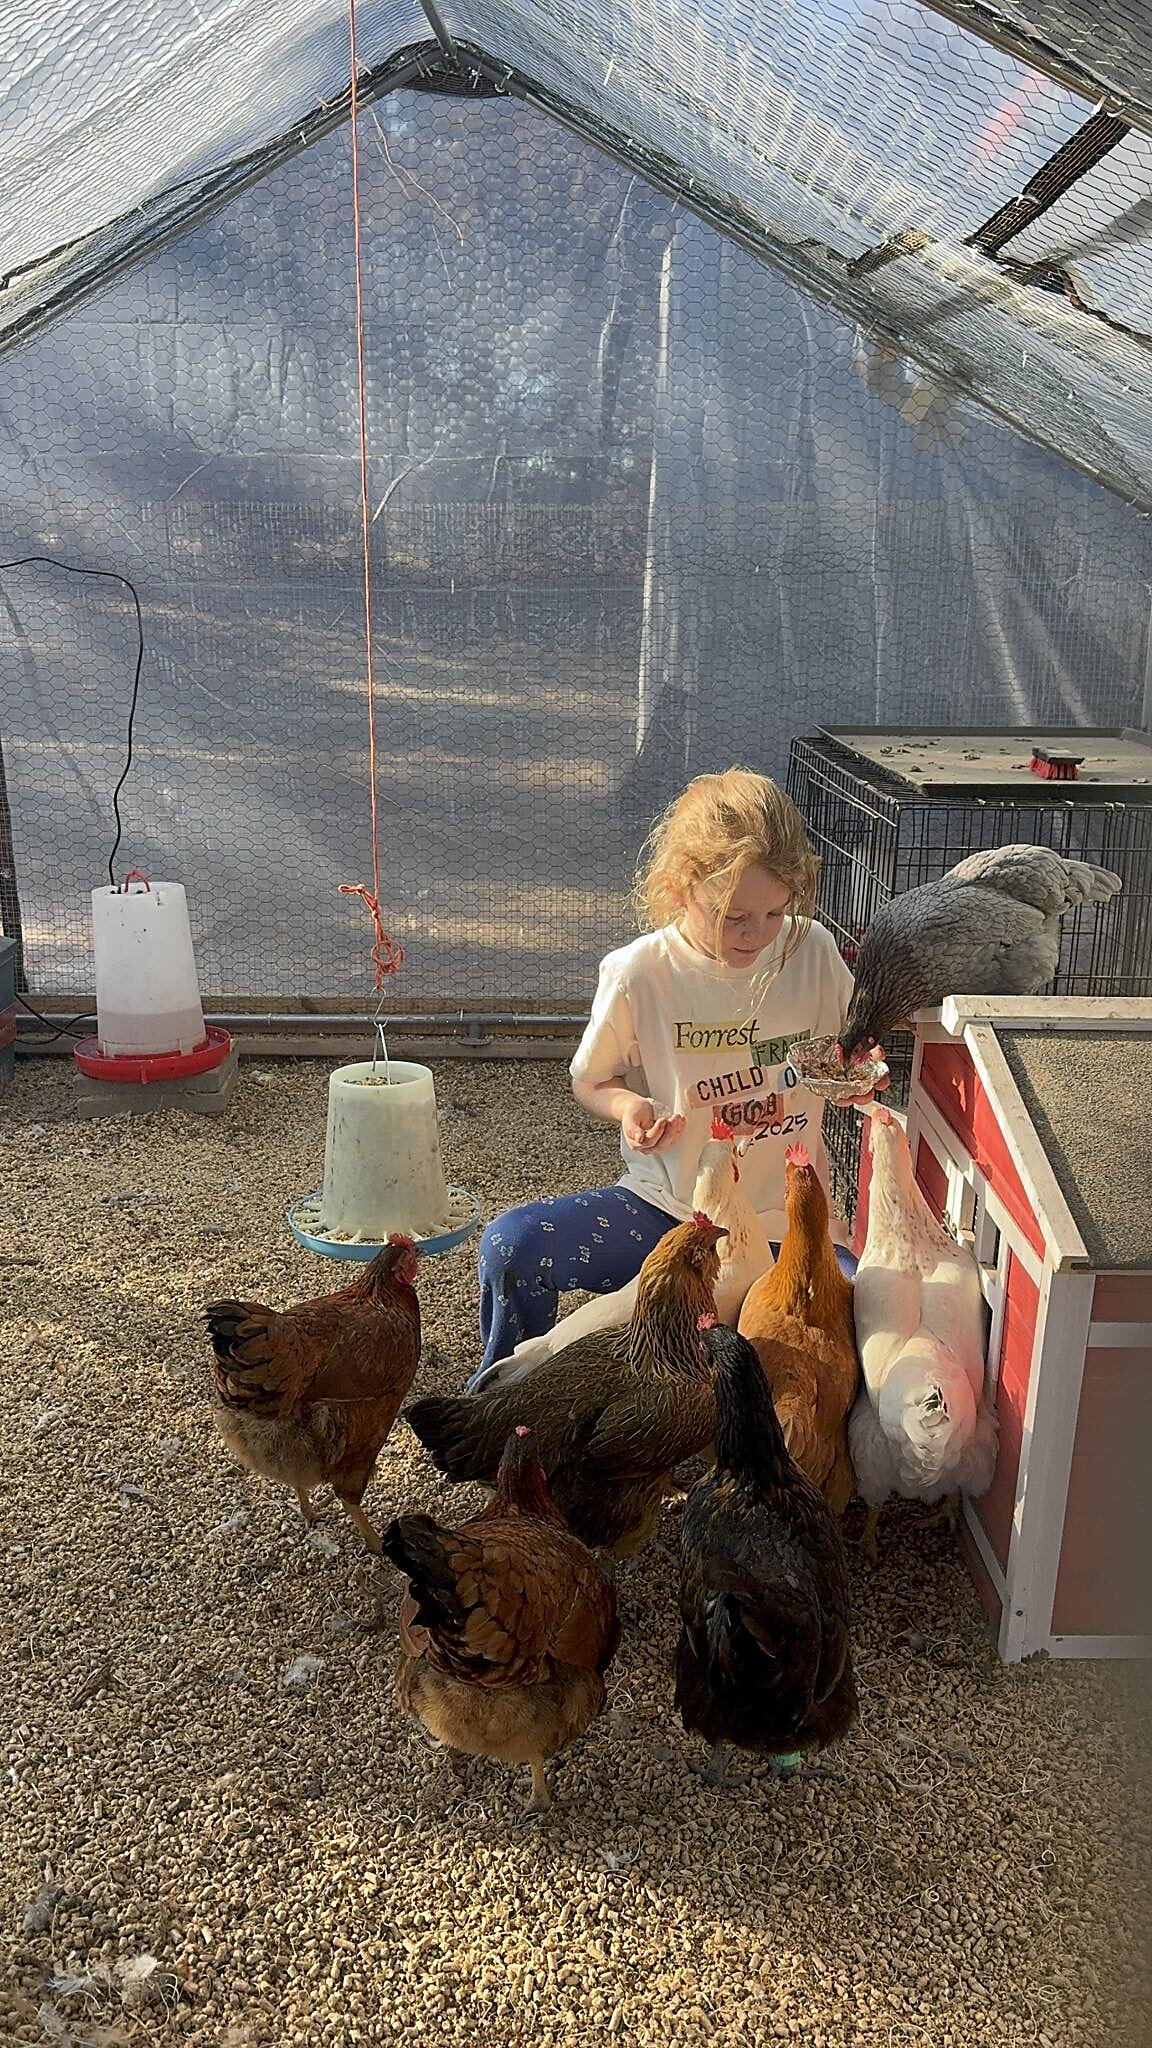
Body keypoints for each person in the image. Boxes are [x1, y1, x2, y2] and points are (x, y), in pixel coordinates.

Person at [475, 767, 882, 1373]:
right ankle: (507, 1403)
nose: (757, 934)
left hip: (788, 1227)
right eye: (734, 914)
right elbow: (591, 1078)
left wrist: (858, 1073)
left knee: (869, 1336)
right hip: (667, 1213)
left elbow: (855, 1047)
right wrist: (627, 1108)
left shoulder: (813, 953)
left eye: (775, 912)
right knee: (514, 1244)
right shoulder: (641, 974)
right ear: (680, 885)